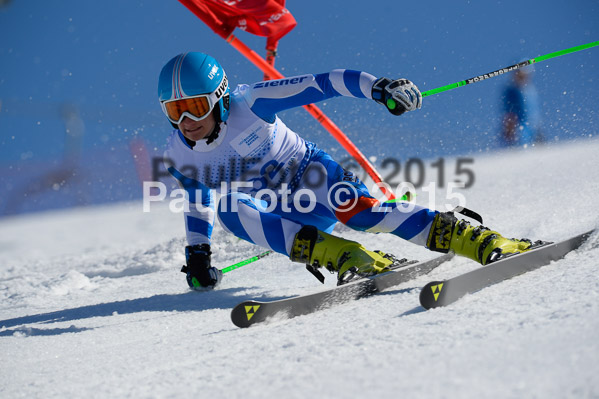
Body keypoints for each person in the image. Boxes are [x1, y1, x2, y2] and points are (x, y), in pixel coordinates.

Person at [158, 52, 533, 290]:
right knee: (228, 208)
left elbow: (325, 83)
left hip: (312, 175)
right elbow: (197, 202)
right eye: (176, 111)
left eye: (195, 106)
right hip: (289, 219)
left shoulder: (251, 102)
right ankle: (347, 256)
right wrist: (199, 256)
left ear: (221, 99)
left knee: (362, 213)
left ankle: (479, 240)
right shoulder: (179, 155)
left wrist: (379, 88)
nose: (188, 120)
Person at [501, 67, 544, 147]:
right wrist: (509, 124)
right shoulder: (511, 91)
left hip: (533, 128)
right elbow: (507, 110)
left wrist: (538, 130)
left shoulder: (530, 90)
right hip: (518, 128)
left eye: (524, 75)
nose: (522, 77)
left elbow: (535, 112)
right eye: (519, 75)